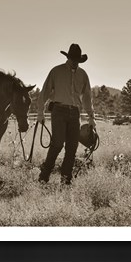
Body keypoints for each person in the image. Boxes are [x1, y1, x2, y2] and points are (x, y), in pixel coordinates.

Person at [37, 43, 96, 185]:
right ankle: (44, 177)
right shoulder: (56, 71)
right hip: (59, 110)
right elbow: (44, 92)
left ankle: (65, 180)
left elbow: (87, 97)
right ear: (68, 58)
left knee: (72, 147)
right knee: (57, 144)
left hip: (75, 112)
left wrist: (91, 117)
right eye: (73, 59)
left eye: (77, 60)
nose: (75, 63)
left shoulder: (83, 75)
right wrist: (40, 112)